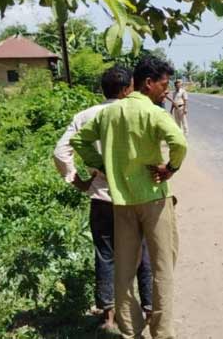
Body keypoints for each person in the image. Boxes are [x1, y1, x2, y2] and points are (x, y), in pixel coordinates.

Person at [71, 56, 187, 339]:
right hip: (154, 201)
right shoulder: (154, 113)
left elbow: (78, 140)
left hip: (121, 203)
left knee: (124, 271)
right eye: (163, 85)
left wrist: (101, 165)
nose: (165, 91)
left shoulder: (107, 113)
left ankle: (131, 330)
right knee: (162, 267)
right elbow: (179, 143)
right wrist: (169, 168)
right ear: (148, 83)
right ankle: (161, 333)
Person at [54, 66, 153, 331]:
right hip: (134, 197)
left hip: (101, 198)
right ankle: (149, 310)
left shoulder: (86, 116)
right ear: (125, 89)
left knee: (106, 254)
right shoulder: (136, 113)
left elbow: (61, 153)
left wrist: (79, 182)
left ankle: (109, 317)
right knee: (142, 253)